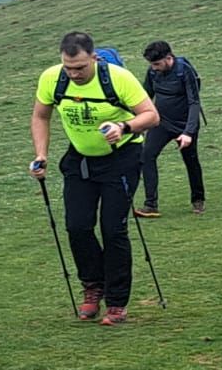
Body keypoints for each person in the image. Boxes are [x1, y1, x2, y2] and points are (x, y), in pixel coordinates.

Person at [28, 31, 160, 326]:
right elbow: (40, 115)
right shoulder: (52, 78)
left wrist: (123, 127)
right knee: (77, 227)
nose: (73, 74)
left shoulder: (117, 78)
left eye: (80, 68)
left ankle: (116, 302)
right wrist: (42, 154)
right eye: (68, 67)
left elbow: (151, 116)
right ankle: (92, 287)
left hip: (121, 159)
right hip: (80, 159)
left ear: (94, 58)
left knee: (113, 230)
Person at [134, 41, 205, 218]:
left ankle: (198, 199)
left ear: (169, 58)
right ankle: (151, 205)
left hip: (184, 124)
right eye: (152, 64)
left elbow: (194, 102)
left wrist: (188, 132)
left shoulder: (184, 71)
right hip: (162, 123)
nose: (154, 68)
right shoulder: (153, 72)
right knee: (146, 156)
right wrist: (139, 122)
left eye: (157, 64)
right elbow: (146, 96)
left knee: (191, 161)